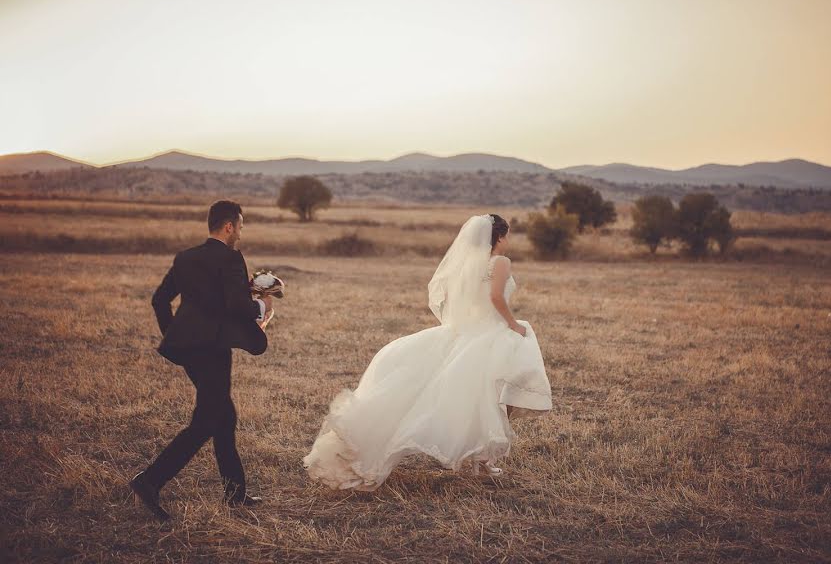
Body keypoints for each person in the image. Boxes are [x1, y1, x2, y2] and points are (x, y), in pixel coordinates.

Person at [303, 213, 552, 490]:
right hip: (488, 332)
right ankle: (482, 462)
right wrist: (513, 324)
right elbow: (495, 297)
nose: (508, 241)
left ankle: (481, 460)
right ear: (500, 237)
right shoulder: (500, 262)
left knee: (477, 396)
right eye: (507, 236)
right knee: (489, 395)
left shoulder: (468, 265)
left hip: (467, 331)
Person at [130, 200, 274, 521]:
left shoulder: (185, 258)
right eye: (239, 225)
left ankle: (235, 493)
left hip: (190, 351)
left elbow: (159, 300)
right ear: (228, 227)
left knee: (224, 415)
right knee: (208, 420)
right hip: (213, 350)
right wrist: (263, 306)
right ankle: (150, 480)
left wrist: (177, 338)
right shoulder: (231, 257)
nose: (240, 231)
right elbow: (237, 306)